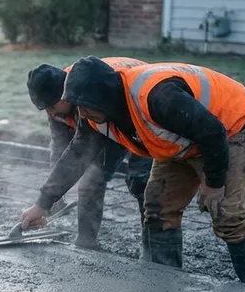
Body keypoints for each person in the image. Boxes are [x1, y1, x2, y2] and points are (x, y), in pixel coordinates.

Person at [19, 57, 245, 285]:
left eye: (84, 108)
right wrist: (43, 203)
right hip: (178, 141)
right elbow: (75, 156)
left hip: (229, 128)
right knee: (157, 208)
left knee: (226, 213)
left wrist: (214, 182)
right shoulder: (94, 113)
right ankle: (166, 286)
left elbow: (212, 133)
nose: (80, 115)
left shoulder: (159, 98)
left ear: (101, 99)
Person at [25, 57, 153, 248]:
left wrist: (45, 201)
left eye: (52, 106)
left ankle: (154, 253)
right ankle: (86, 242)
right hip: (107, 119)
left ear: (66, 92)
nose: (51, 113)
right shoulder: (57, 108)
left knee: (141, 180)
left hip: (140, 108)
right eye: (45, 109)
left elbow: (91, 145)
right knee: (91, 180)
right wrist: (50, 199)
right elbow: (62, 150)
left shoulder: (88, 95)